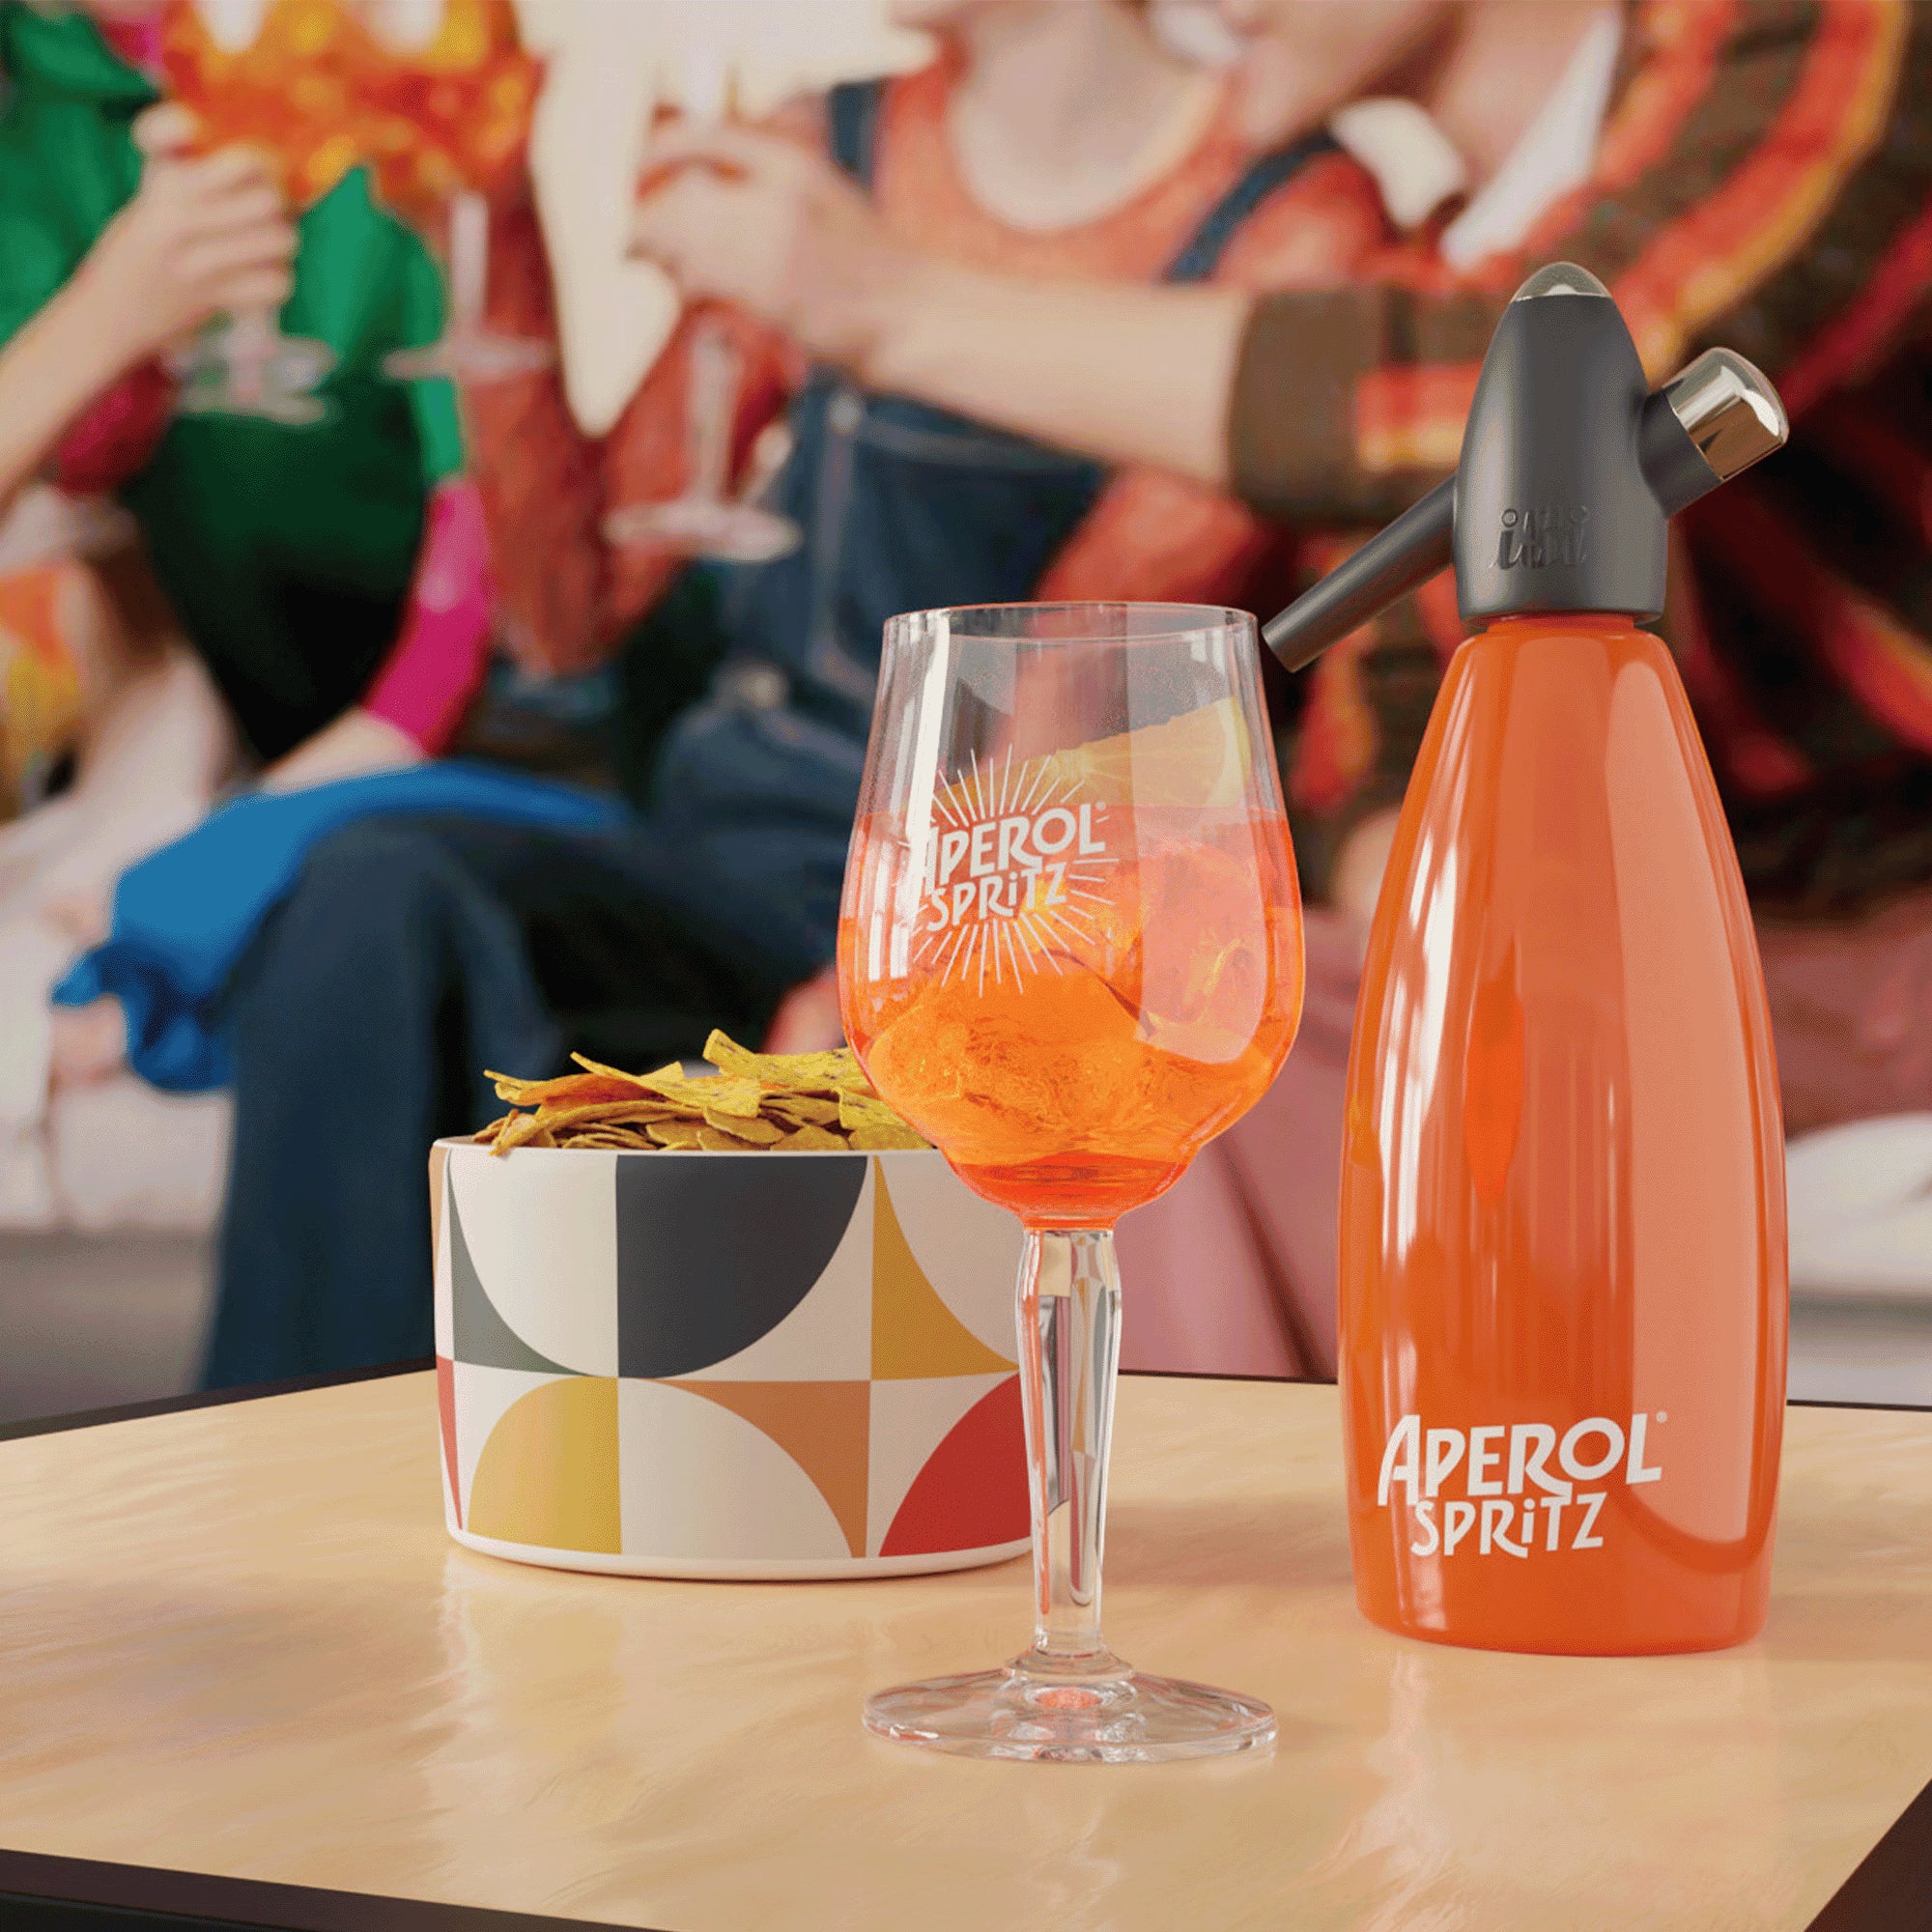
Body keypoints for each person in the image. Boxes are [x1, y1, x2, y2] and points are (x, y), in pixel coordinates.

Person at [632, 0, 1932, 1375]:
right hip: (1637, 948)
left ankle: (1183, 1562)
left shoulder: (1835, 36)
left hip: (1875, 930)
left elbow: (1553, 392)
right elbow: (1389, 739)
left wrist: (881, 304)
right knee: (1141, 1016)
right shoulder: (1429, 261)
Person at [198, 0, 1394, 1383]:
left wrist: (894, 983)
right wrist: (496, 226)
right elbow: (572, 619)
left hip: (1001, 901)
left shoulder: (1292, 219)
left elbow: (1091, 683)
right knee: (373, 886)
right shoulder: (824, 147)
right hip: (718, 866)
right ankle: (291, 1496)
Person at [0, 0, 494, 793]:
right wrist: (120, 324)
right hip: (200, 710)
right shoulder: (36, 106)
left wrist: (243, 844)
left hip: (445, 726)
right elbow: (80, 475)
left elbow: (488, 531)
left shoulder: (395, 75)